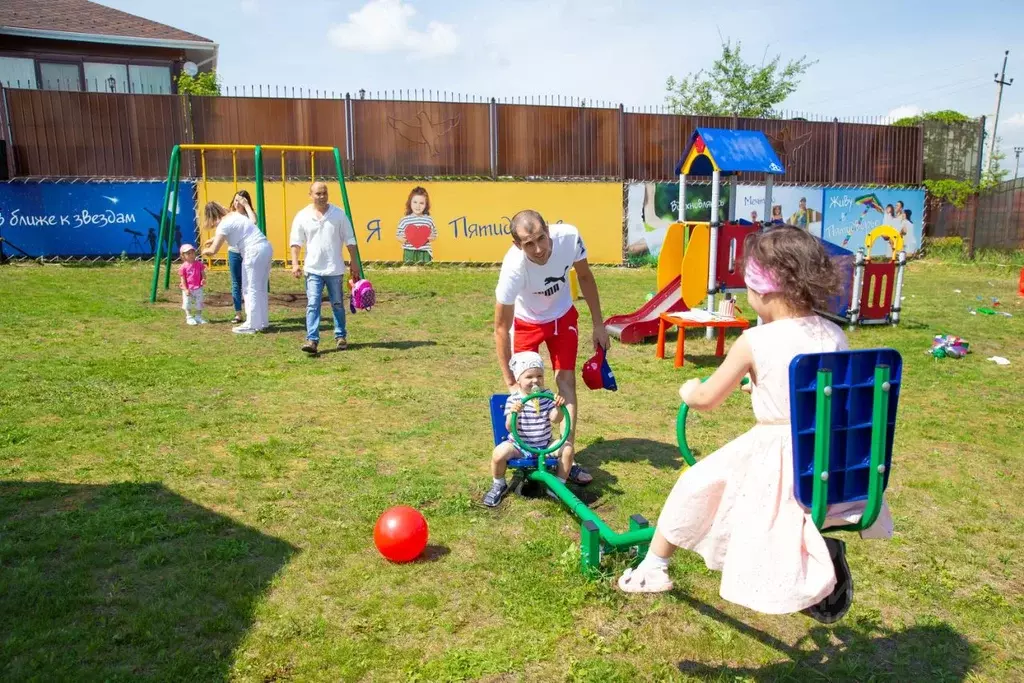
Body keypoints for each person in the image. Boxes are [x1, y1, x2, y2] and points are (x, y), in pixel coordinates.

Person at [616, 226, 893, 625]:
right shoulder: (834, 333)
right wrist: (766, 387)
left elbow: (708, 399)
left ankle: (654, 567)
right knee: (740, 499)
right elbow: (821, 389)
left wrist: (689, 390)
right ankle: (823, 556)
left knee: (694, 484)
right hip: (831, 460)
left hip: (778, 456)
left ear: (763, 289)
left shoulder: (754, 342)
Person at [493, 209, 610, 487]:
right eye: (528, 244)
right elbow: (500, 328)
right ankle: (527, 448)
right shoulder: (513, 268)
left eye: (541, 239)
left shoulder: (569, 237)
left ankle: (565, 451)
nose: (538, 249)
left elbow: (585, 277)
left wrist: (598, 324)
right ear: (516, 245)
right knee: (525, 387)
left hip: (562, 316)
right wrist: (510, 382)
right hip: (526, 321)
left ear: (548, 229)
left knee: (564, 381)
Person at [483, 351, 571, 507]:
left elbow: (555, 419)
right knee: (499, 453)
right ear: (518, 379)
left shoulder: (547, 395)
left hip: (544, 445)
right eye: (529, 377)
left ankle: (557, 486)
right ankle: (499, 484)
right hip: (520, 446)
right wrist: (514, 413)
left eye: (539, 376)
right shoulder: (514, 399)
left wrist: (558, 407)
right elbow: (510, 427)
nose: (535, 381)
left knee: (568, 449)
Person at [290, 181, 360, 354]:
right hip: (313, 269)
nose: (321, 197)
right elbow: (296, 242)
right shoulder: (302, 216)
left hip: (334, 269)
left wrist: (354, 262)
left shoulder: (339, 215)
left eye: (324, 193)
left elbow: (350, 240)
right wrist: (295, 263)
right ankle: (312, 340)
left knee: (337, 303)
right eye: (318, 194)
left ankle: (340, 336)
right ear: (310, 195)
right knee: (313, 304)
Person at [201, 201, 273, 334]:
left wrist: (203, 252)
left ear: (211, 217)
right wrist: (213, 239)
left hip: (253, 252)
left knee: (249, 288)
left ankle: (251, 325)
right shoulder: (234, 215)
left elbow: (213, 250)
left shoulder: (223, 225)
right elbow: (234, 231)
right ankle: (262, 321)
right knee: (260, 288)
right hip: (265, 247)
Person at [227, 189, 256, 324]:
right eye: (236, 200)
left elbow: (254, 221)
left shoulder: (249, 215)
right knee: (236, 283)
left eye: (240, 200)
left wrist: (247, 206)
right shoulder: (230, 215)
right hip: (234, 252)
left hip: (247, 253)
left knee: (249, 283)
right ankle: (238, 313)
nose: (237, 203)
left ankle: (251, 312)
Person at [397, 186, 437, 264]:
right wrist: (402, 239)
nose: (418, 206)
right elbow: (398, 235)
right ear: (410, 202)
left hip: (424, 251)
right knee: (409, 270)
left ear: (426, 205)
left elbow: (434, 234)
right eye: (415, 202)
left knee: (425, 270)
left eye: (421, 203)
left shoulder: (429, 219)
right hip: (409, 251)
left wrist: (432, 237)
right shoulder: (404, 220)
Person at [178, 243, 207, 325]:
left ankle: (198, 316)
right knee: (187, 303)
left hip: (198, 288)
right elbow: (182, 280)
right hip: (188, 289)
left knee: (199, 302)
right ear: (183, 256)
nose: (191, 255)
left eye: (192, 253)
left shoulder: (199, 264)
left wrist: (203, 280)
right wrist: (186, 289)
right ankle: (189, 317)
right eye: (188, 253)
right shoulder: (183, 267)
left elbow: (203, 275)